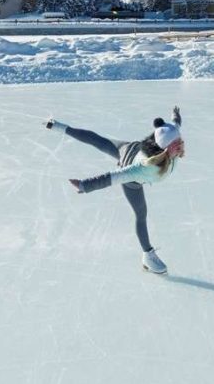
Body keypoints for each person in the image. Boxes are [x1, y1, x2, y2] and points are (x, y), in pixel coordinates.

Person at [47, 107, 185, 274]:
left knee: (99, 141)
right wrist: (85, 185)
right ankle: (148, 256)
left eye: (180, 141)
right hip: (132, 173)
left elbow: (176, 124)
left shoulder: (171, 135)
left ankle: (58, 126)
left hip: (132, 147)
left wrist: (175, 115)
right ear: (164, 148)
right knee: (141, 214)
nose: (181, 146)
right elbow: (114, 177)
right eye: (176, 144)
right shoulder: (144, 169)